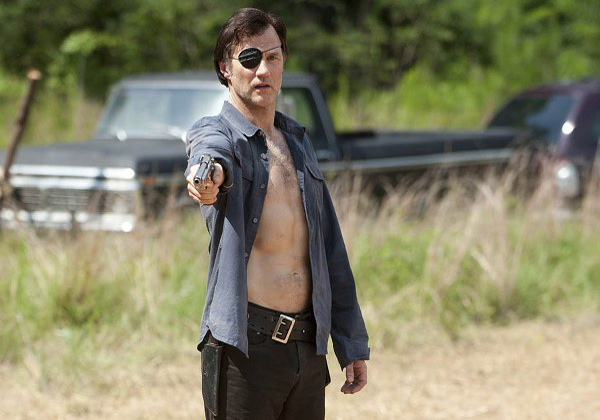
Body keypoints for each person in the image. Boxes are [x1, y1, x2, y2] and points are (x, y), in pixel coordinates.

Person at [185, 7, 369, 420]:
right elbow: (209, 155)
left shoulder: (298, 142)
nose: (263, 70)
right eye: (249, 59)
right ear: (225, 69)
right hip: (246, 350)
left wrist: (350, 342)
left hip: (307, 347)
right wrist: (207, 176)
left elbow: (329, 250)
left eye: (273, 57)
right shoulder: (216, 133)